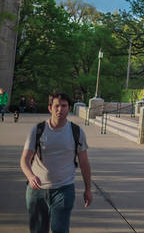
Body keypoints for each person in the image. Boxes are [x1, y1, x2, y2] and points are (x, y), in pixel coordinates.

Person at [20, 92, 92, 233]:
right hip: (37, 191)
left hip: (64, 189)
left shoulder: (76, 131)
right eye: (56, 106)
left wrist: (88, 189)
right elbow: (24, 160)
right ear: (49, 108)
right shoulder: (38, 130)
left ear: (69, 108)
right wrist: (30, 176)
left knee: (60, 229)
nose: (60, 109)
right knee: (38, 230)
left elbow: (84, 163)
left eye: (64, 106)